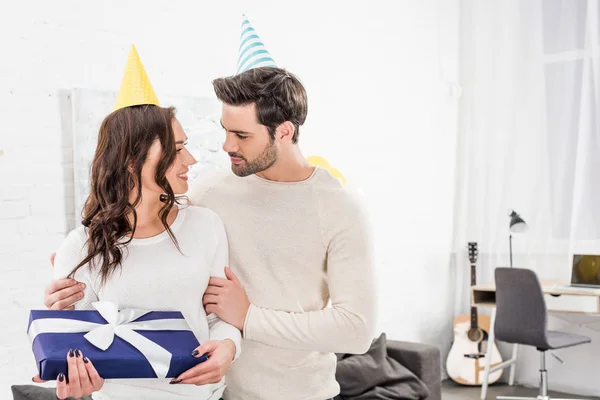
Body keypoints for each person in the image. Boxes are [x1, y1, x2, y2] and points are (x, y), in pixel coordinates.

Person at [44, 19, 376, 400]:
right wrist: (64, 295)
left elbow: (356, 329)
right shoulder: (210, 191)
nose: (225, 146)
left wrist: (248, 319)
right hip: (217, 393)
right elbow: (138, 231)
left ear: (284, 132)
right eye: (224, 130)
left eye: (242, 135)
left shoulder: (339, 209)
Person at [35, 46, 241, 400]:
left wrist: (228, 345)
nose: (190, 159)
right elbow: (79, 348)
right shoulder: (82, 247)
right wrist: (76, 377)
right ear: (132, 161)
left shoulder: (205, 226)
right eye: (176, 149)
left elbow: (218, 317)